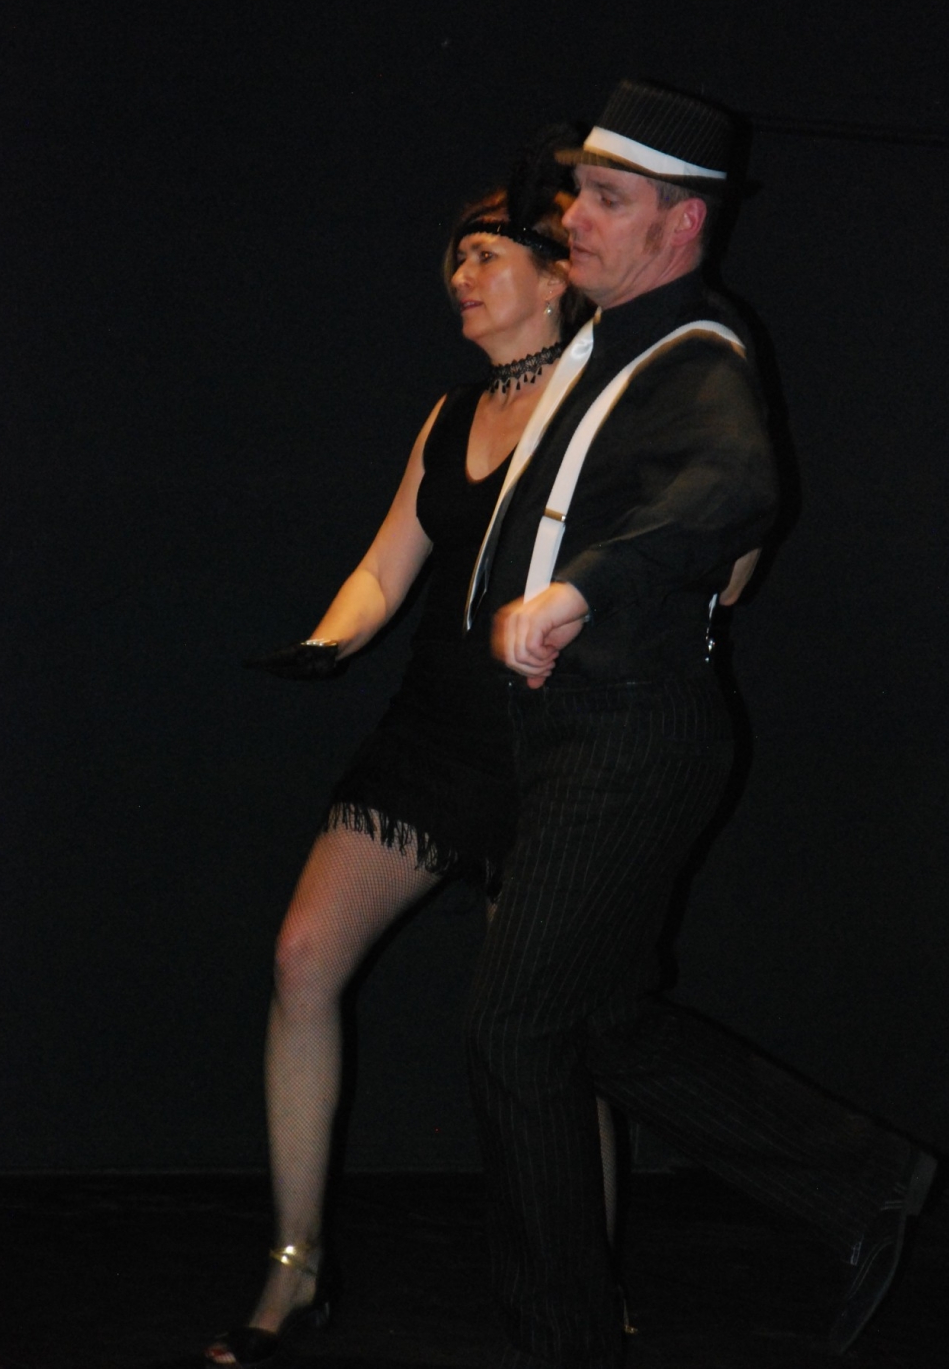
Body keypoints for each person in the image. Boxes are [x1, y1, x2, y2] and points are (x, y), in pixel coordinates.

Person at [463, 80, 937, 1367]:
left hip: (630, 732)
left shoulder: (697, 353)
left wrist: (580, 589)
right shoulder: (607, 344)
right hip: (574, 732)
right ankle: (863, 1178)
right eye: (580, 192)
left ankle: (562, 1340)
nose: (577, 217)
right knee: (598, 1018)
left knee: (516, 1028)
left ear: (684, 225)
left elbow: (735, 485)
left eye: (610, 200)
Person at [205, 137, 616, 1366]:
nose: (460, 280)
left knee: (545, 1027)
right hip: (436, 733)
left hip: (554, 744)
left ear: (556, 272)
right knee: (301, 954)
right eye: (455, 263)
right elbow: (386, 568)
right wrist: (328, 642)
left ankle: (586, 1278)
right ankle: (295, 1266)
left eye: (483, 257)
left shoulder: (604, 403)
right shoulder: (450, 414)